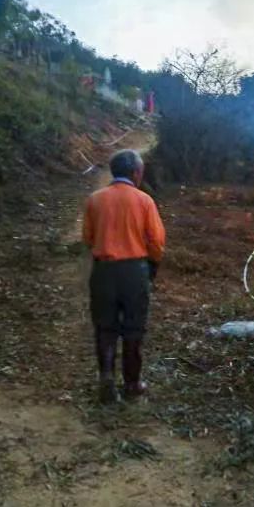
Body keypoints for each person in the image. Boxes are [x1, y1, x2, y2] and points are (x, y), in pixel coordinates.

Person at [82, 149, 165, 403]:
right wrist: (151, 266)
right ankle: (132, 384)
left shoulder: (95, 200)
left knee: (105, 328)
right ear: (136, 173)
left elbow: (88, 238)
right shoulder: (144, 201)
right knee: (133, 328)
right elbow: (156, 242)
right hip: (134, 272)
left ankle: (106, 378)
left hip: (103, 271)